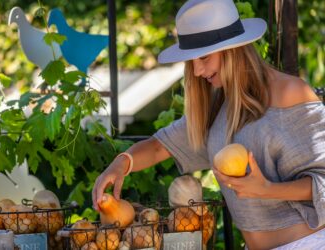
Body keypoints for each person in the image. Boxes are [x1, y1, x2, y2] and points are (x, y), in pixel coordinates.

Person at [92, 0, 325, 249]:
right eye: (191, 60)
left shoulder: (290, 92)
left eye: (204, 57)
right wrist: (120, 164)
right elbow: (160, 147)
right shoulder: (219, 102)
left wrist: (266, 189)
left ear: (233, 49)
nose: (197, 70)